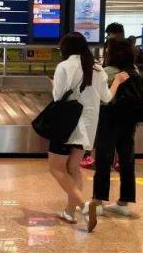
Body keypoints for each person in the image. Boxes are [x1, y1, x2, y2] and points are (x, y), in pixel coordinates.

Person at [47, 32, 128, 232]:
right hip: (87, 128)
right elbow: (106, 98)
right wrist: (117, 81)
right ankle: (69, 212)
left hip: (65, 126)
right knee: (73, 168)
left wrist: (54, 85)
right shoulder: (98, 69)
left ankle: (84, 206)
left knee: (56, 169)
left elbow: (58, 97)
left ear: (66, 49)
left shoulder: (64, 66)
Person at [92, 39, 142, 217]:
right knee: (127, 160)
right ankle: (124, 202)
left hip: (109, 118)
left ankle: (98, 202)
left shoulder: (108, 72)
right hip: (129, 121)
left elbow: (100, 96)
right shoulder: (135, 71)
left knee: (103, 160)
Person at [82, 22, 129, 170]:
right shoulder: (129, 62)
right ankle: (119, 161)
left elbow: (102, 93)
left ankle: (96, 159)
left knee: (102, 134)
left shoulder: (108, 69)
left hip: (108, 108)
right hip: (126, 107)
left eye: (109, 34)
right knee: (123, 136)